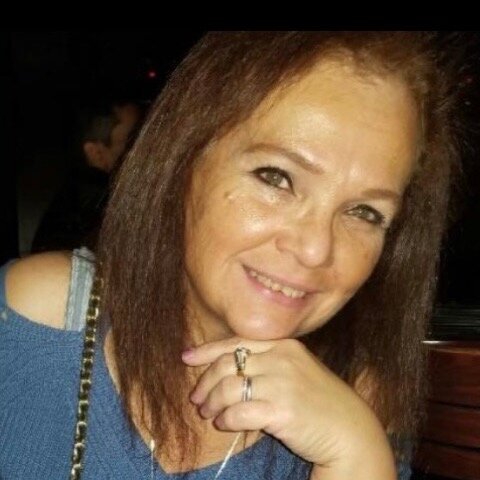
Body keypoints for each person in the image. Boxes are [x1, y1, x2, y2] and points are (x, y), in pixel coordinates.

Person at [0, 31, 469, 479]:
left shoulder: (361, 407)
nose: (315, 249)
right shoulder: (39, 320)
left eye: (365, 212)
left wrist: (356, 455)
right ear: (180, 162)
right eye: (276, 178)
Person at [30, 98, 143, 253]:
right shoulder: (100, 206)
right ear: (96, 153)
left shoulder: (71, 200)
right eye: (131, 140)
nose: (145, 147)